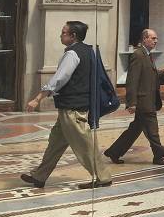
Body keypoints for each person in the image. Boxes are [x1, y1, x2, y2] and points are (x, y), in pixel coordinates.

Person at [21, 21, 113, 190]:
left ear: (73, 36)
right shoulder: (87, 50)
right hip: (71, 107)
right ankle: (39, 176)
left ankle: (103, 177)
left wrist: (38, 98)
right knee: (55, 143)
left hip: (73, 109)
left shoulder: (72, 54)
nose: (60, 35)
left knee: (85, 145)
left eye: (64, 33)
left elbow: (59, 79)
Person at [105, 28, 164, 166]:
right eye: (153, 38)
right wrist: (132, 102)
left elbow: (152, 77)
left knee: (134, 130)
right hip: (144, 101)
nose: (156, 41)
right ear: (144, 39)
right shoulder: (138, 55)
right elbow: (132, 80)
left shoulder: (147, 55)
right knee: (152, 130)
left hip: (148, 100)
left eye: (156, 38)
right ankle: (159, 156)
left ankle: (114, 152)